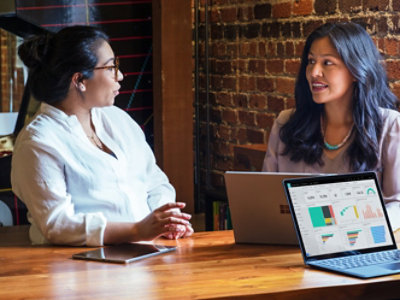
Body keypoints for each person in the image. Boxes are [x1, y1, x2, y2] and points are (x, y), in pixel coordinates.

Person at [11, 25, 193, 246]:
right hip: (76, 267)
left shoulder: (118, 120)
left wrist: (166, 221)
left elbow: (156, 183)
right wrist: (137, 230)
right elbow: (57, 224)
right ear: (79, 80)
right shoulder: (38, 142)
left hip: (146, 256)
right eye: (110, 67)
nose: (120, 75)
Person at [262, 22, 400, 231]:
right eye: (311, 61)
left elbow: (397, 205)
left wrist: (351, 226)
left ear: (356, 70)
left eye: (327, 63)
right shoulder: (286, 123)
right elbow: (266, 199)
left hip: (357, 248)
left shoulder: (390, 126)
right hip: (287, 249)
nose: (314, 72)